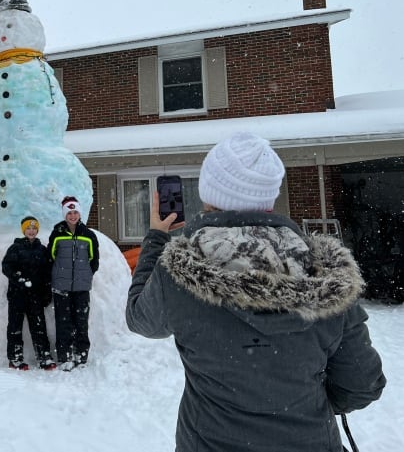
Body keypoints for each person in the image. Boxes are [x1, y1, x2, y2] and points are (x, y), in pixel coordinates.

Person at [126, 132, 386, 452]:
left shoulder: (179, 270)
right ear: (270, 199)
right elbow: (361, 384)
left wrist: (155, 237)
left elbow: (141, 319)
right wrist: (299, 405)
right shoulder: (326, 273)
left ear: (208, 198)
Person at [46, 196, 99, 371]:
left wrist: (86, 274)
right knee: (63, 322)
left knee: (81, 322)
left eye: (75, 212)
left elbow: (94, 260)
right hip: (61, 286)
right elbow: (51, 256)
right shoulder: (57, 234)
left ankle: (81, 355)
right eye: (69, 213)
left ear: (79, 214)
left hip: (82, 287)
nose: (73, 216)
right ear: (64, 214)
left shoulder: (89, 235)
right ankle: (65, 356)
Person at [2, 216, 56, 371]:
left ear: (37, 230)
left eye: (34, 228)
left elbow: (47, 273)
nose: (31, 231)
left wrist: (46, 291)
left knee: (39, 326)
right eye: (28, 228)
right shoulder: (15, 248)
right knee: (15, 327)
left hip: (36, 296)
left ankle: (44, 357)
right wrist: (20, 279)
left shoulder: (42, 249)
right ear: (23, 230)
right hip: (17, 295)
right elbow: (7, 267)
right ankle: (15, 358)